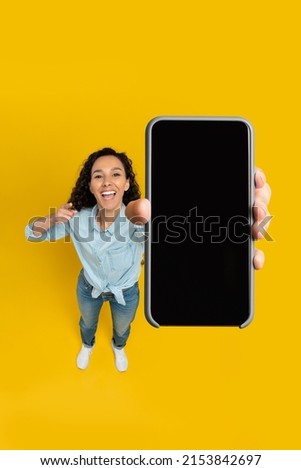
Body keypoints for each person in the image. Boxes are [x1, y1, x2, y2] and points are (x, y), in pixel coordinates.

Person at [25, 148, 271, 372]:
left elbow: (182, 238)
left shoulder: (141, 219)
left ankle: (118, 347)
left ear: (126, 183)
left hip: (127, 292)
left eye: (116, 174)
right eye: (98, 176)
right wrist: (53, 219)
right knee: (87, 322)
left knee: (122, 328)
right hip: (89, 288)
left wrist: (229, 217)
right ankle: (87, 345)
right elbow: (31, 234)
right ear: (90, 186)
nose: (107, 181)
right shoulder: (77, 218)